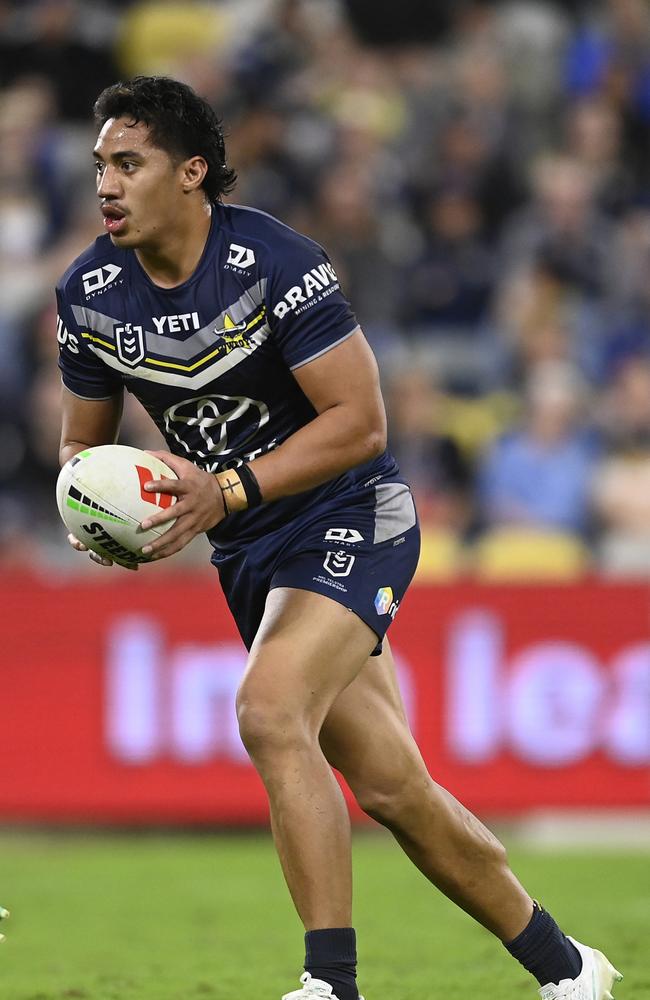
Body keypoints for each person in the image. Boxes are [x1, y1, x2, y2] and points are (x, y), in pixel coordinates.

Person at [55, 76, 623, 1000]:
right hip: (249, 551)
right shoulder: (89, 292)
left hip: (351, 513)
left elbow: (361, 423)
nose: (106, 186)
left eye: (129, 164)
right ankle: (569, 972)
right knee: (397, 791)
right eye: (98, 168)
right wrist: (99, 517)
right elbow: (83, 447)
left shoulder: (275, 262)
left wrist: (227, 487)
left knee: (270, 710)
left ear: (191, 173)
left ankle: (332, 986)